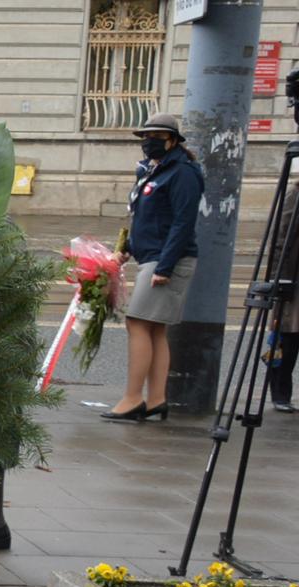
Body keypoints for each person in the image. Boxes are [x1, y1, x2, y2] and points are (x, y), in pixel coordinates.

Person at [105, 113, 203, 422]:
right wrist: (127, 250)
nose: (149, 142)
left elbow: (183, 222)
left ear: (173, 140)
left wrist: (165, 266)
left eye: (157, 137)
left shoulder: (183, 172)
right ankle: (157, 398)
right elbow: (146, 220)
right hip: (153, 256)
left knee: (137, 323)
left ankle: (133, 399)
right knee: (154, 329)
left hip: (166, 259)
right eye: (146, 137)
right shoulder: (155, 171)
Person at [270, 178, 299, 414]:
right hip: (294, 279)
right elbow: (281, 238)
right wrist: (277, 278)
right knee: (288, 339)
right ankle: (280, 394)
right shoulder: (296, 194)